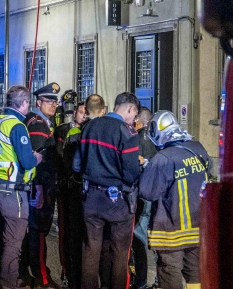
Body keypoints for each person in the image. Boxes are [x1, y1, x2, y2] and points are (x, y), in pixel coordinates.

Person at [73, 92, 141, 289]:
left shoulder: (89, 127)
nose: (134, 119)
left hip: (91, 198)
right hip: (117, 201)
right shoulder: (126, 132)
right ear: (130, 108)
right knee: (120, 252)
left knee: (90, 249)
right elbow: (130, 173)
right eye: (134, 114)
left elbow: (77, 165)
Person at [139, 111, 209, 289]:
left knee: (169, 272)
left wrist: (146, 169)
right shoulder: (198, 149)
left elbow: (147, 192)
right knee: (195, 273)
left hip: (171, 231)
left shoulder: (162, 158)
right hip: (198, 228)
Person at [0, 85, 42, 289]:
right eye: (28, 103)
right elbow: (26, 162)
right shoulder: (17, 126)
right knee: (13, 242)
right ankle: (7, 284)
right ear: (24, 103)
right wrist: (37, 157)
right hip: (12, 190)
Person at [19, 82, 60, 288]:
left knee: (33, 231)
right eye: (48, 101)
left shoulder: (40, 122)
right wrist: (40, 189)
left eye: (55, 101)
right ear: (38, 102)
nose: (53, 105)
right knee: (38, 232)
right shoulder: (37, 124)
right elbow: (35, 160)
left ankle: (24, 273)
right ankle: (41, 276)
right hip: (38, 187)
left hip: (37, 187)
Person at [54, 100, 86, 288]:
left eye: (85, 112)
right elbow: (60, 159)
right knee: (68, 234)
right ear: (75, 114)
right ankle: (68, 272)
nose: (83, 115)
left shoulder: (90, 131)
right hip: (68, 190)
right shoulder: (63, 131)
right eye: (80, 112)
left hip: (82, 193)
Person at [131, 107, 158, 289]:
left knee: (138, 238)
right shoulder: (159, 139)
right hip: (157, 194)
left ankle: (140, 281)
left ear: (140, 120)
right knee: (157, 239)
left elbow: (133, 165)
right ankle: (158, 280)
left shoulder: (137, 136)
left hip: (141, 193)